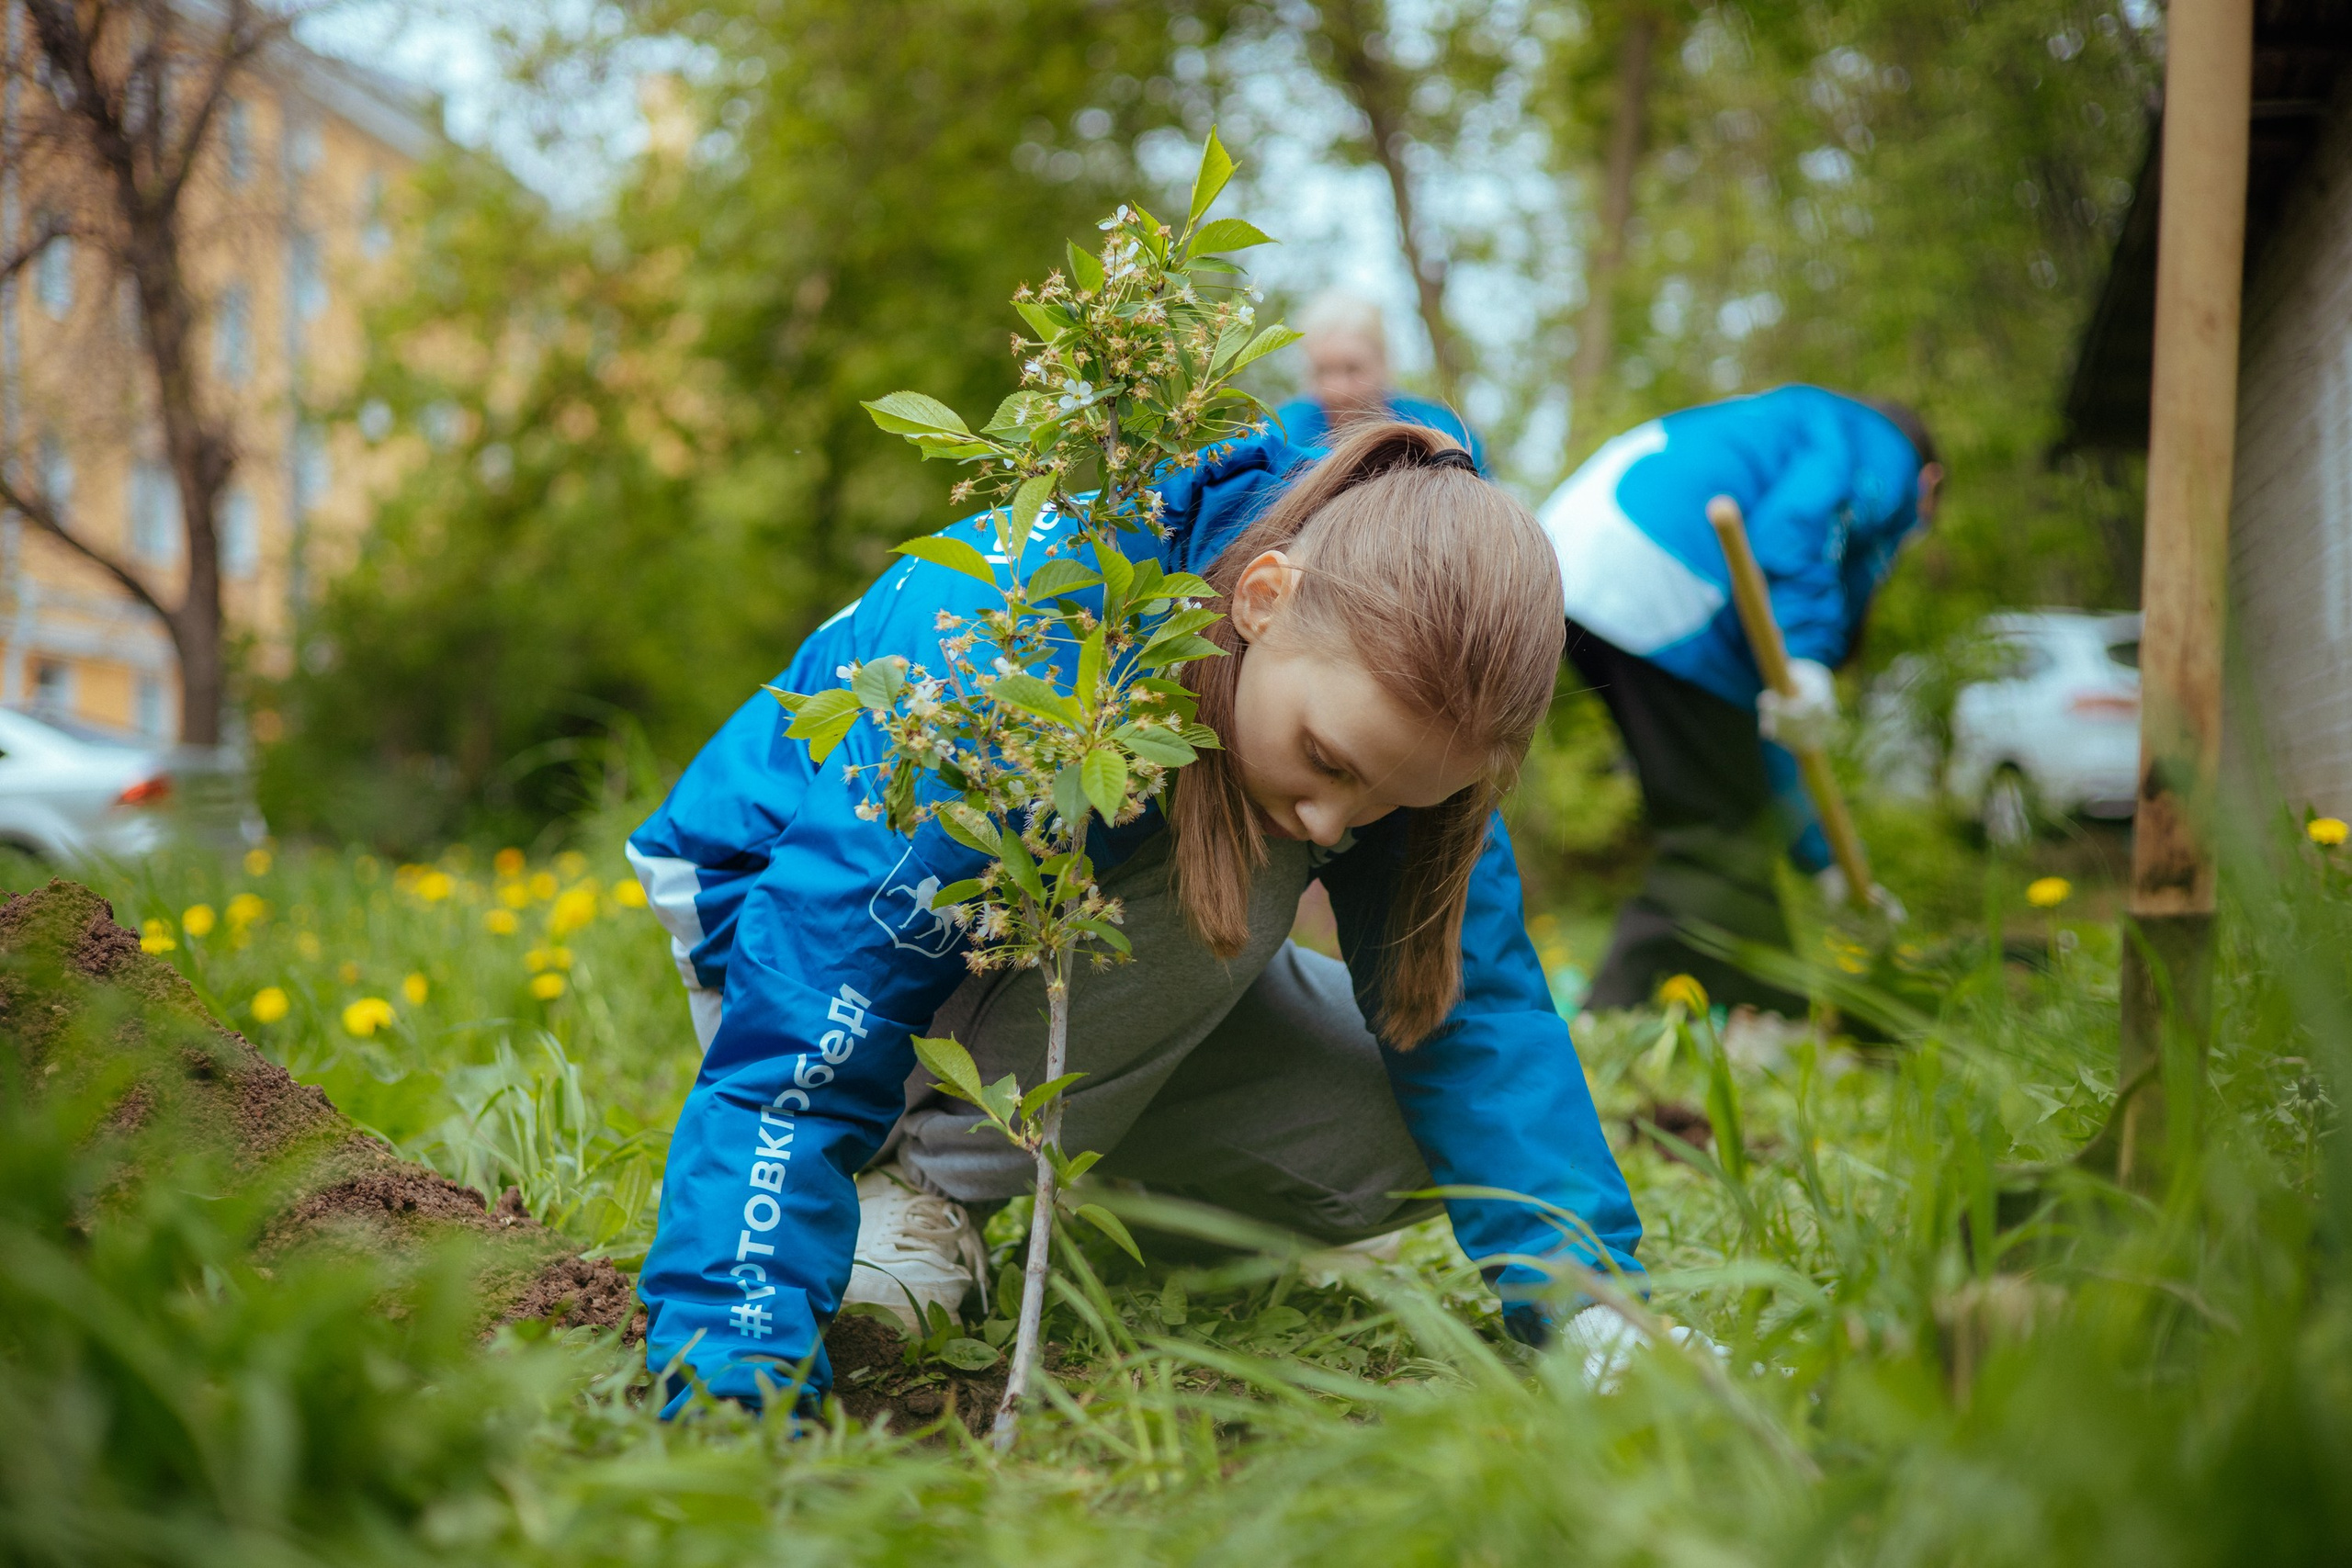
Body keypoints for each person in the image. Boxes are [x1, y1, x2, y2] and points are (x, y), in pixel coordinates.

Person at [626, 422, 1641, 1415]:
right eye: (1328, 761)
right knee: (1242, 866)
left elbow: (1475, 1019)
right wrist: (735, 1358)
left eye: (1390, 800)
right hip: (777, 927)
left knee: (1403, 1133)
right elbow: (810, 1008)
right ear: (1262, 598)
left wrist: (1597, 1313)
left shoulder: (1401, 717)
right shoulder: (1021, 663)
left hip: (1068, 958)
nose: (1338, 819)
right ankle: (929, 1189)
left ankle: (1085, 1207)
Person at [1537, 385, 1942, 1016]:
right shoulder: (1882, 451)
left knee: (1729, 812)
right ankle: (1612, 1012)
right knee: (1715, 831)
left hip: (1576, 560)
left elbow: (1768, 736)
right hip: (1660, 568)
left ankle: (1764, 1008)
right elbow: (1791, 529)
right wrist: (1807, 657)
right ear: (1931, 482)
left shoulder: (1797, 424)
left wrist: (1824, 861)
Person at [1274, 292, 1487, 469]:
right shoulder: (1281, 435)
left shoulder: (1443, 431)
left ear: (1383, 362)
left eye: (1353, 368)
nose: (1337, 390)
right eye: (1322, 371)